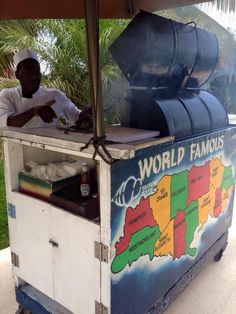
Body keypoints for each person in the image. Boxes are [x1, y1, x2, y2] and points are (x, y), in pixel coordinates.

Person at [0, 48, 92, 129]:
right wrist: (33, 112)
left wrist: (88, 113)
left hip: (50, 148)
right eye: (27, 72)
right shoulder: (8, 95)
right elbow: (5, 122)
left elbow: (76, 116)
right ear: (17, 75)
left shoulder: (55, 95)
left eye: (36, 72)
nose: (33, 77)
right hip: (16, 148)